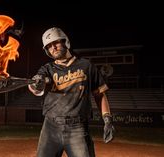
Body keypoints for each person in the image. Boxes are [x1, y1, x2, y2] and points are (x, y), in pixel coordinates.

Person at [28, 27, 115, 157]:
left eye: (56, 42)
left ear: (65, 42)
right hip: (50, 128)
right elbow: (36, 86)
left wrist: (107, 119)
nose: (53, 48)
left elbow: (99, 95)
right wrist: (37, 83)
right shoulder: (47, 69)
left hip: (77, 129)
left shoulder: (86, 66)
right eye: (49, 46)